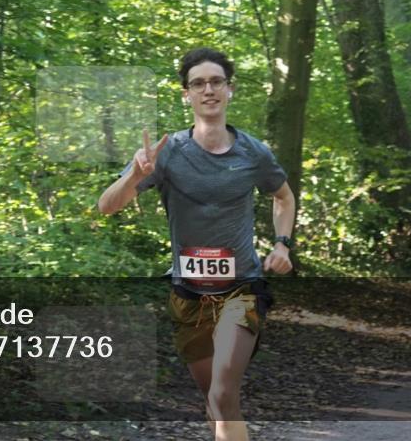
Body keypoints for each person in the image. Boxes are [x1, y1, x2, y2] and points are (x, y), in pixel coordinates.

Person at [97, 47, 296, 441]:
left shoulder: (254, 153)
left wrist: (282, 244)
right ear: (185, 94)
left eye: (216, 82)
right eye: (198, 83)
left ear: (229, 90)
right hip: (188, 293)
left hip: (242, 290)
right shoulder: (166, 153)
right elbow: (107, 206)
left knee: (224, 393)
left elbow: (283, 197)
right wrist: (135, 176)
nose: (208, 90)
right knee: (212, 398)